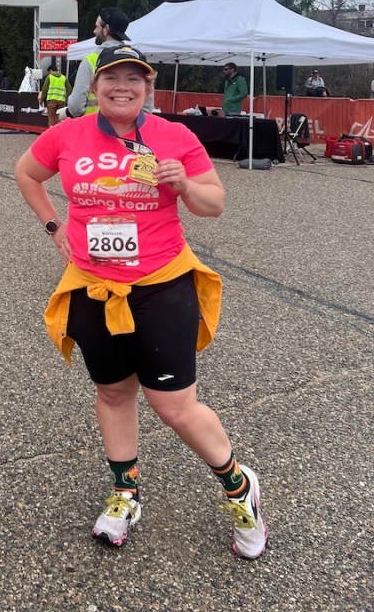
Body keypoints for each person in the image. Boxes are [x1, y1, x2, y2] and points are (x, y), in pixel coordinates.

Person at [14, 44, 267, 559]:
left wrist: (185, 184)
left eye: (134, 78)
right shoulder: (67, 134)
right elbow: (27, 174)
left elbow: (214, 204)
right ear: (97, 85)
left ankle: (242, 489)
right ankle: (126, 492)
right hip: (91, 284)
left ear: (148, 87)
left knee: (175, 407)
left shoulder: (174, 136)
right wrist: (54, 226)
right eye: (112, 77)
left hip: (162, 283)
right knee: (113, 394)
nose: (122, 86)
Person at [68, 7, 154, 118]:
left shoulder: (90, 61)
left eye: (97, 27)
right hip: (128, 133)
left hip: (94, 130)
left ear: (106, 29)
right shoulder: (137, 59)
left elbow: (76, 107)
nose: (94, 31)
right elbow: (147, 109)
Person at [39, 62, 72, 126]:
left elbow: (45, 89)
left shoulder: (49, 77)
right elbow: (69, 89)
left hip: (51, 102)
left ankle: (52, 134)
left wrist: (42, 100)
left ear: (51, 70)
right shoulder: (63, 78)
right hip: (61, 102)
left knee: (51, 119)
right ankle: (58, 134)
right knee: (58, 119)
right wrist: (66, 99)